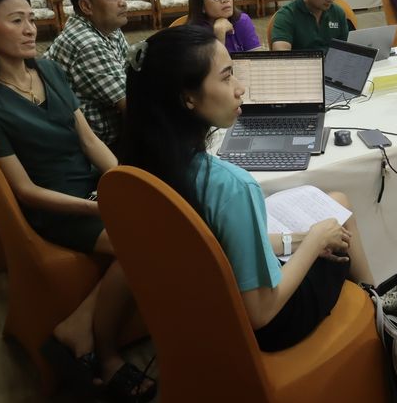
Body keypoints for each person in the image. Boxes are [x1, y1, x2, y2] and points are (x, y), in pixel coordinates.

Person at [0, 0, 156, 402]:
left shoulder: (46, 69)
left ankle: (75, 327)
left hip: (91, 187)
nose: (31, 29)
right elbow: (25, 190)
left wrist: (122, 183)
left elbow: (89, 139)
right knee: (142, 244)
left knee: (166, 214)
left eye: (31, 18)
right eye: (17, 21)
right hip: (56, 207)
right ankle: (105, 352)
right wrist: (95, 207)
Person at [121, 25, 375, 352]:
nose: (240, 88)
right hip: (271, 325)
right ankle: (381, 311)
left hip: (201, 313)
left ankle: (377, 304)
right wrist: (314, 241)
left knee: (334, 207)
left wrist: (302, 238)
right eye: (227, 77)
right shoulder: (232, 186)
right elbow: (261, 312)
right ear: (188, 97)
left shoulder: (136, 166)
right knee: (338, 225)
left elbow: (219, 245)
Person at [45, 0, 130, 152]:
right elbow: (131, 105)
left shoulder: (109, 28)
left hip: (111, 134)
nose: (123, 2)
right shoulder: (87, 43)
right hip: (95, 147)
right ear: (86, 6)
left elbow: (131, 72)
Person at [186, 0, 261, 53]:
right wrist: (219, 33)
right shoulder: (193, 34)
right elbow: (211, 61)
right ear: (201, 5)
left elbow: (256, 57)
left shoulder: (242, 20)